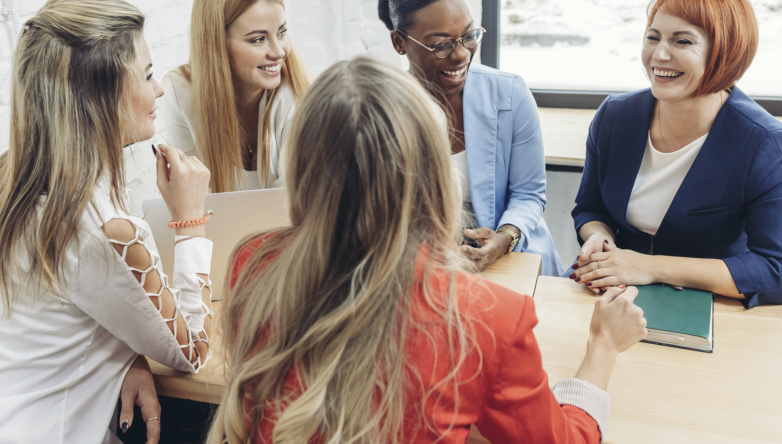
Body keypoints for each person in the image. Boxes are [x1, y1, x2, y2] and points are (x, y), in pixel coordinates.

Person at [205, 56, 647, 444]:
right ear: (435, 173)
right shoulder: (490, 318)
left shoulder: (253, 260)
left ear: (302, 166)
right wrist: (603, 346)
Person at [0, 0, 214, 443]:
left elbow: (79, 306)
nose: (159, 90)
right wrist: (190, 222)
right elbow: (193, 352)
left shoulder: (10, 181)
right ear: (104, 96)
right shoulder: (107, 230)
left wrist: (127, 352)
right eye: (148, 76)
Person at [571, 0, 782, 307]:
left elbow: (774, 269)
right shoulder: (615, 116)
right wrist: (599, 236)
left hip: (712, 310)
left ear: (724, 53)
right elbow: (590, 208)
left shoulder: (764, 143)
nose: (659, 54)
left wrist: (650, 267)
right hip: (615, 296)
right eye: (653, 37)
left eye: (682, 41)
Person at [377, 0, 563, 276]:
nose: (461, 54)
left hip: (514, 260)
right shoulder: (385, 111)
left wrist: (506, 237)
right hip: (426, 267)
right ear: (400, 43)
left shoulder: (510, 94)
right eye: (441, 44)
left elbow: (528, 193)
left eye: (469, 35)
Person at [163, 0, 312, 193]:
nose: (279, 51)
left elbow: (294, 202)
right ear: (217, 45)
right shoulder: (181, 89)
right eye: (258, 39)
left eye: (281, 32)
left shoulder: (297, 93)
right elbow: (187, 194)